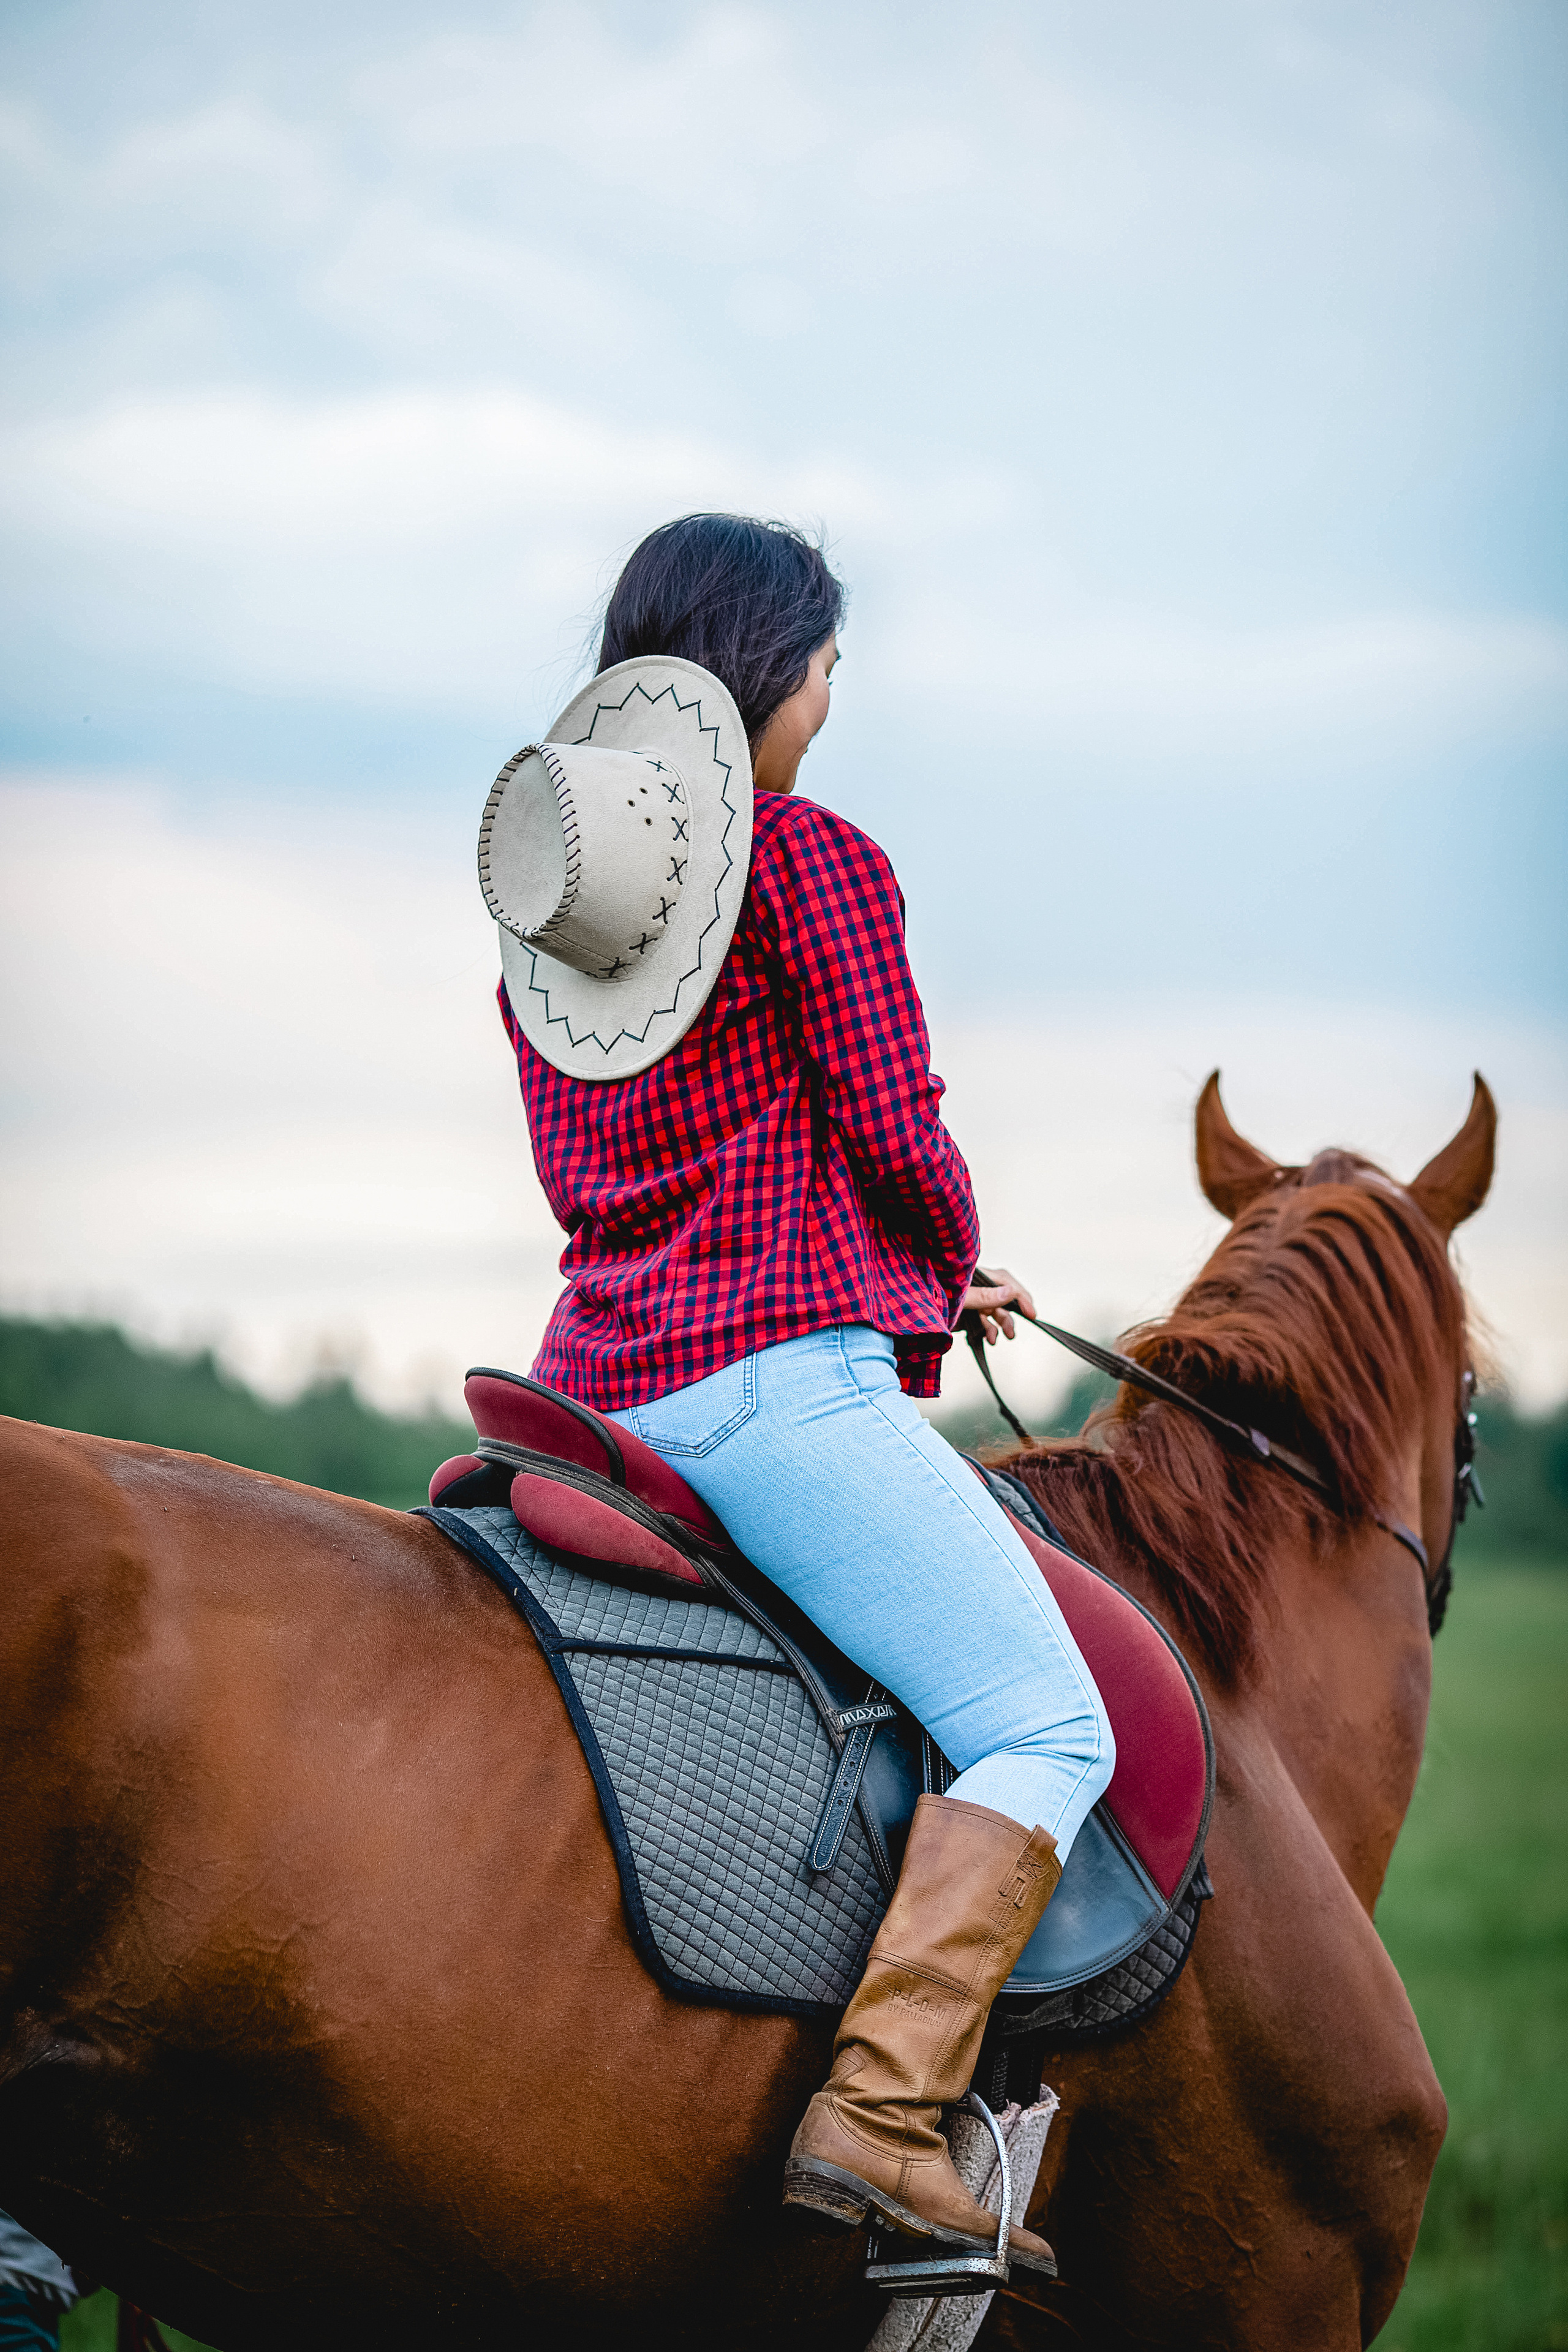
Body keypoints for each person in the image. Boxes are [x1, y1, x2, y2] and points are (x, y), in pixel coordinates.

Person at [490, 513, 1113, 2271]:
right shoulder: (813, 858)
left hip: (594, 1392)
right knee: (1052, 1727)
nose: (837, 701)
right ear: (762, 676)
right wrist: (949, 1244)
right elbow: (890, 1126)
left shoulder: (560, 925)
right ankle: (888, 2112)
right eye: (828, 665)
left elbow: (656, 1178)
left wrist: (921, 1282)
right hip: (770, 1393)